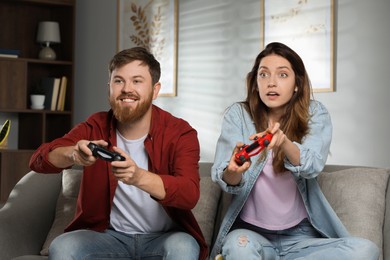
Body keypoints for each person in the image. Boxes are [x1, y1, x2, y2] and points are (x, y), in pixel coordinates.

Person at [29, 47, 208, 260]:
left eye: (137, 81)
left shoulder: (180, 132)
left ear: (155, 89)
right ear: (110, 88)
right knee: (63, 247)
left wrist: (138, 177)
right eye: (119, 81)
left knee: (185, 248)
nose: (126, 89)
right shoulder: (96, 125)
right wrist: (74, 155)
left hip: (165, 238)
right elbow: (39, 160)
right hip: (108, 237)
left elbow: (189, 194)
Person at [210, 42, 379, 260]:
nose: (271, 82)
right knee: (237, 246)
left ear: (297, 84)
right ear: (255, 84)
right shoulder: (238, 115)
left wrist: (284, 142)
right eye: (263, 75)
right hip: (250, 234)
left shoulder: (315, 113)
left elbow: (313, 165)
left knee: (366, 250)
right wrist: (234, 170)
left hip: (302, 238)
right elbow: (225, 177)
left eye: (282, 75)